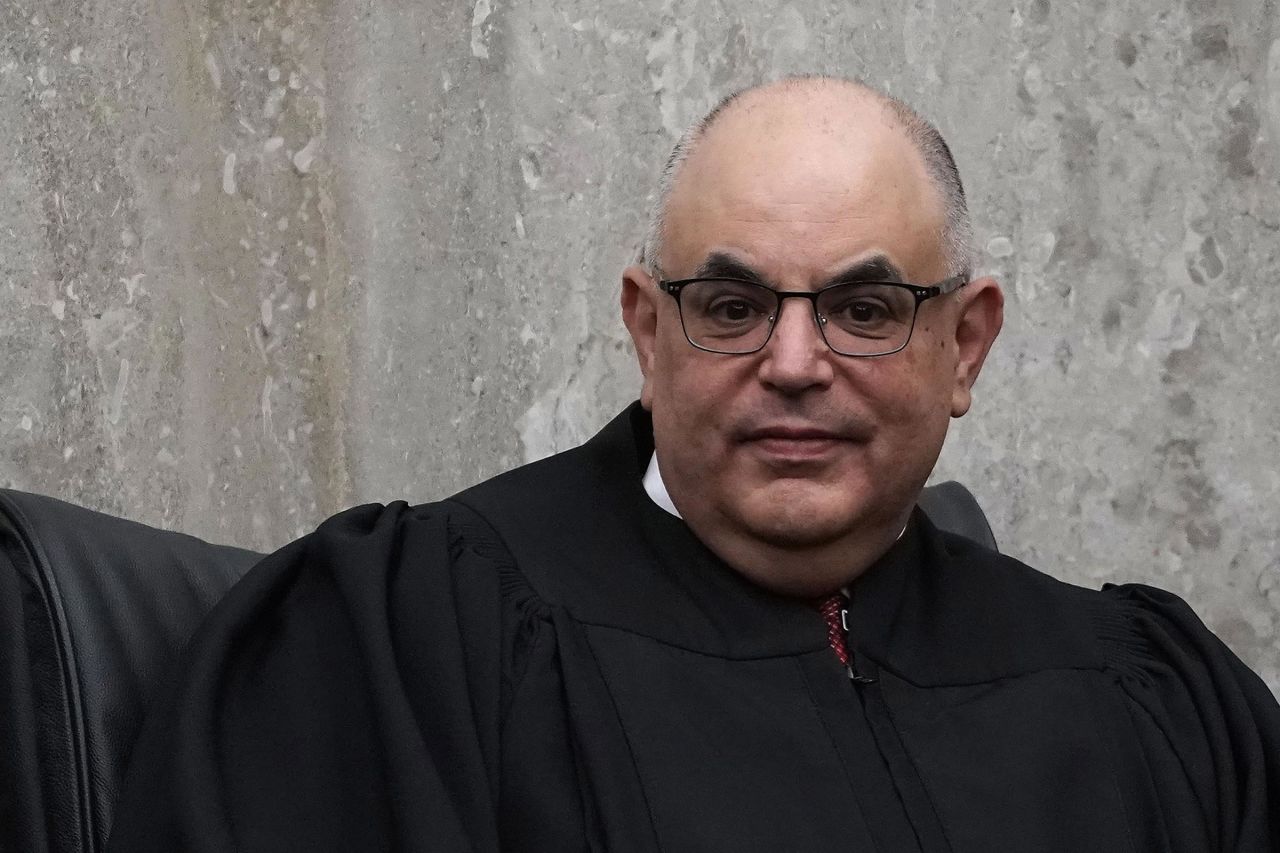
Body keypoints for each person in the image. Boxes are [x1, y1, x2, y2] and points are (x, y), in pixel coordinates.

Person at [108, 76, 1279, 852]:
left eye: (865, 307)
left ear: (962, 343)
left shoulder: (1153, 703)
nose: (792, 362)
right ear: (644, 329)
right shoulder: (408, 635)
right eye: (729, 303)